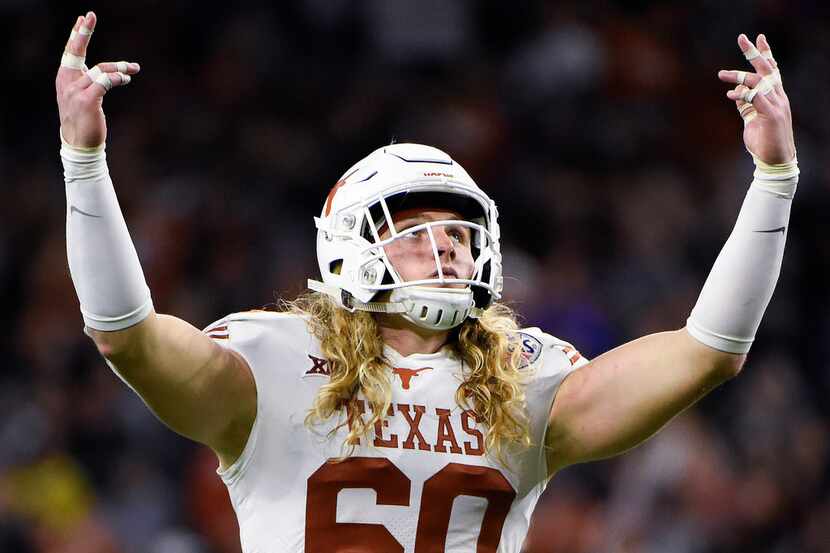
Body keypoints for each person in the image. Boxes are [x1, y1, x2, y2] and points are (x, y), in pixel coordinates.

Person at [56, 11, 798, 553]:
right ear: (351, 250)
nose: (444, 250)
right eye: (416, 235)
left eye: (458, 234)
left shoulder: (524, 379)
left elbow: (711, 350)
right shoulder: (276, 360)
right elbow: (127, 336)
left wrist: (773, 179)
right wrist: (84, 162)